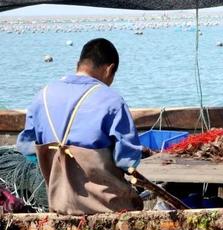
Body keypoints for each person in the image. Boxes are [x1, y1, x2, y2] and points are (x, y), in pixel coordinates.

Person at [16, 38, 144, 215]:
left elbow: (27, 149)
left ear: (79, 64)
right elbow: (127, 161)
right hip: (109, 208)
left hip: (60, 206)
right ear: (110, 69)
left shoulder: (42, 96)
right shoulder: (112, 101)